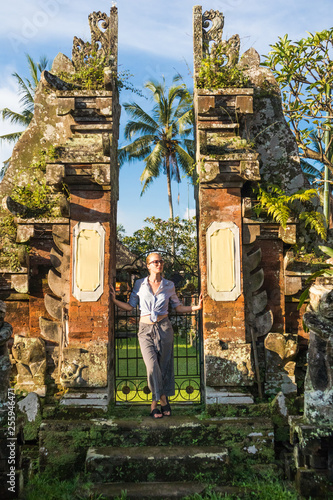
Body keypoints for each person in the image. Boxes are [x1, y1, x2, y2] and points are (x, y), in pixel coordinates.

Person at [110, 252, 203, 418]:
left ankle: (154, 404)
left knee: (164, 366)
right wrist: (114, 300)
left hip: (164, 328)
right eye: (155, 262)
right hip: (145, 329)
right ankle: (163, 399)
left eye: (160, 261)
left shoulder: (169, 285)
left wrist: (196, 307)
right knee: (152, 367)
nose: (158, 264)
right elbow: (130, 307)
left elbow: (178, 307)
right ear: (148, 266)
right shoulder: (139, 284)